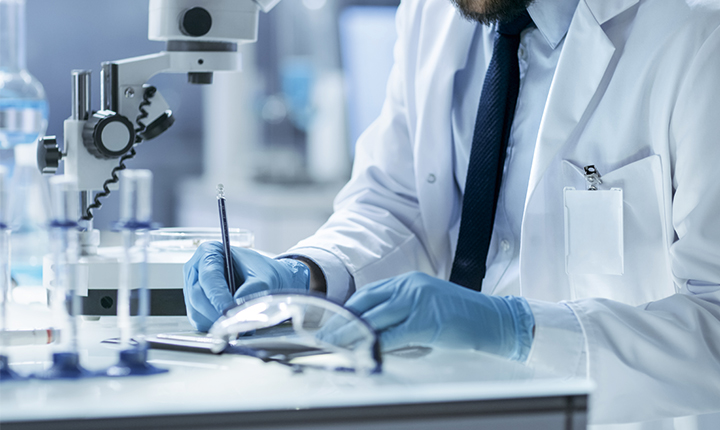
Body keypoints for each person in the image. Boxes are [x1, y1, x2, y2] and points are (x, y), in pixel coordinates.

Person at [184, 0, 720, 426]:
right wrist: (312, 270)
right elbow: (399, 200)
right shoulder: (432, 14)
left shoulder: (698, 34)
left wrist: (514, 329)